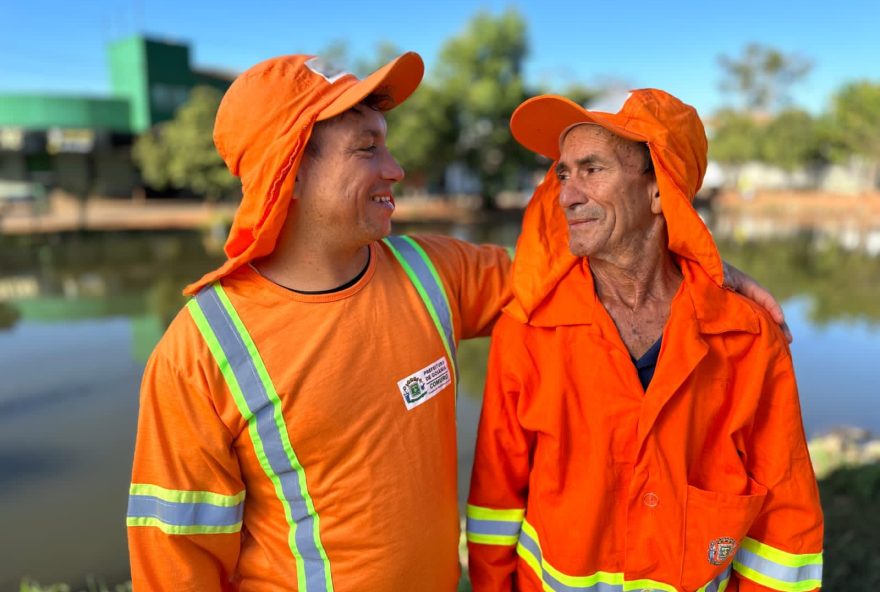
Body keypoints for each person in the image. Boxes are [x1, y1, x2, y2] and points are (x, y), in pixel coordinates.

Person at [126, 51, 789, 591]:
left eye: (387, 147)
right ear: (289, 173)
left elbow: (584, 266)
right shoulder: (202, 351)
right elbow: (175, 564)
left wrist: (704, 267)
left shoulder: (429, 274)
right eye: (366, 149)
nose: (397, 169)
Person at [466, 90, 823, 592]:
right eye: (563, 173)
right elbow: (494, 503)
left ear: (660, 193)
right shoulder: (526, 331)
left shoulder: (747, 337)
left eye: (592, 169)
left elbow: (787, 520)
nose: (565, 193)